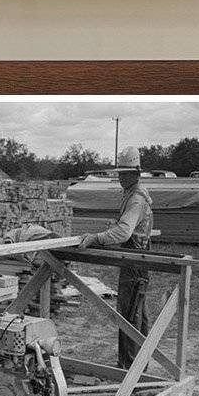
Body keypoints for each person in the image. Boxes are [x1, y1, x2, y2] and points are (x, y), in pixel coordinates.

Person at [78, 147, 154, 368]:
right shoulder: (132, 193)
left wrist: (96, 238)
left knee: (130, 314)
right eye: (119, 172)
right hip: (136, 256)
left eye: (123, 173)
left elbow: (124, 232)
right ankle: (140, 364)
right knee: (138, 312)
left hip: (134, 258)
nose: (119, 177)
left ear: (134, 173)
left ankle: (129, 368)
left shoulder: (136, 199)